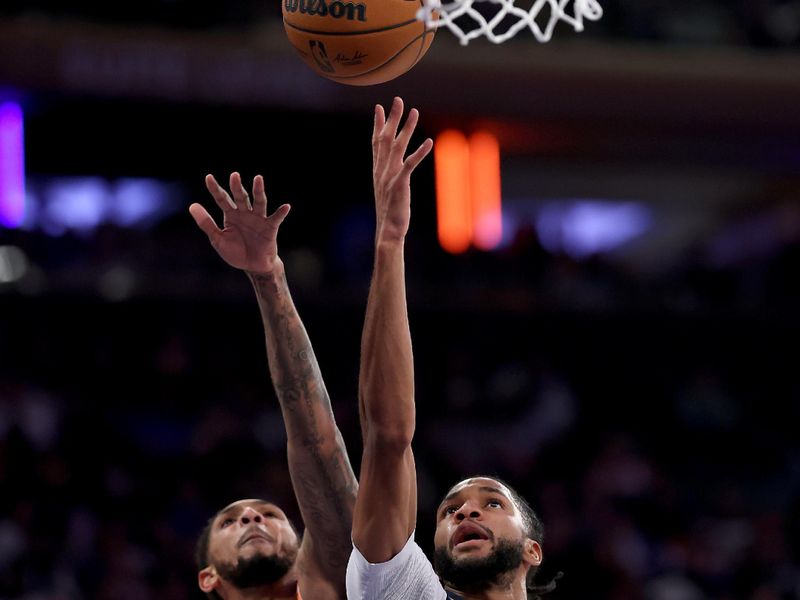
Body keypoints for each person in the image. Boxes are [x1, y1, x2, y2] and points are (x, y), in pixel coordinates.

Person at [345, 97, 556, 600]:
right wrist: (390, 241)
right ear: (431, 556)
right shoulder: (407, 590)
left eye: (492, 504)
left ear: (533, 550)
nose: (465, 511)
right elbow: (389, 438)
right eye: (450, 512)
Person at [189, 171, 358, 600]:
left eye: (268, 514)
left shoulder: (334, 583)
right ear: (208, 577)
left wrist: (268, 279)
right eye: (231, 522)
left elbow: (317, 443)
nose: (252, 520)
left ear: (304, 552)